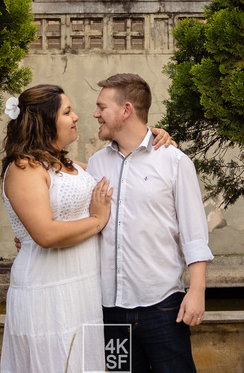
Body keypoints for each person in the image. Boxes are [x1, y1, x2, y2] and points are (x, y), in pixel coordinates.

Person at [0, 83, 177, 373]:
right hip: (48, 290)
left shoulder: (68, 166)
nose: (77, 117)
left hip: (83, 289)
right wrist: (97, 220)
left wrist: (151, 137)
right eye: (67, 112)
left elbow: (120, 167)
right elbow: (45, 234)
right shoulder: (24, 168)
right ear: (45, 121)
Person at [88, 73, 213, 373]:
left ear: (126, 110)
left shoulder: (175, 161)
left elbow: (194, 233)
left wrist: (197, 291)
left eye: (102, 107)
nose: (95, 114)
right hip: (110, 312)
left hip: (163, 307)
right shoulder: (95, 163)